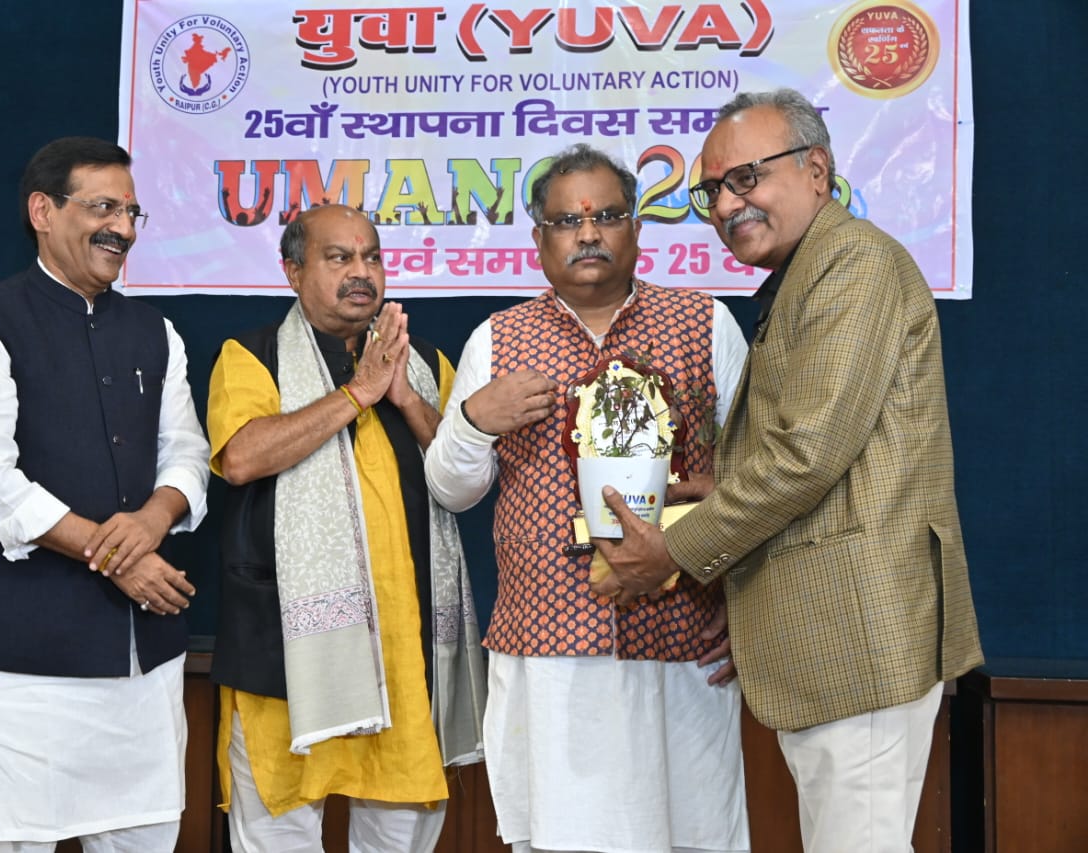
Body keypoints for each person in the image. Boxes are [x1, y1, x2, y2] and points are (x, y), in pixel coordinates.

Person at [590, 89, 985, 852]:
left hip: (858, 635)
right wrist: (721, 484)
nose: (728, 204)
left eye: (747, 178)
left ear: (815, 170)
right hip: (834, 637)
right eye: (712, 190)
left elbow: (808, 454)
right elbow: (833, 444)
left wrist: (672, 549)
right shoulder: (811, 272)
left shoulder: (854, 264)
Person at [424, 144, 750, 853]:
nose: (589, 232)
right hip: (550, 653)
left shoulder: (705, 324)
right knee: (560, 836)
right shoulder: (498, 340)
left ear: (635, 228)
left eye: (606, 214)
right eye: (567, 220)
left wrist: (745, 604)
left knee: (688, 833)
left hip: (681, 644)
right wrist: (478, 418)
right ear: (539, 238)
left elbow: (758, 481)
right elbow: (451, 489)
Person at [0, 137, 211, 851]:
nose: (125, 228)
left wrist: (153, 516)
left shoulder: (155, 331)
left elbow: (188, 454)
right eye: (104, 207)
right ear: (42, 211)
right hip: (22, 664)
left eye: (133, 211)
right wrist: (118, 556)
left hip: (142, 670)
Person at [206, 204, 486, 852]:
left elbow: (461, 476)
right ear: (292, 270)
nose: (362, 273)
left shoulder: (423, 363)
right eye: (339, 258)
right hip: (285, 649)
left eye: (372, 257)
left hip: (402, 654)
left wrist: (405, 397)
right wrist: (356, 393)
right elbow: (242, 456)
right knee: (279, 834)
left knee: (399, 835)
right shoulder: (252, 355)